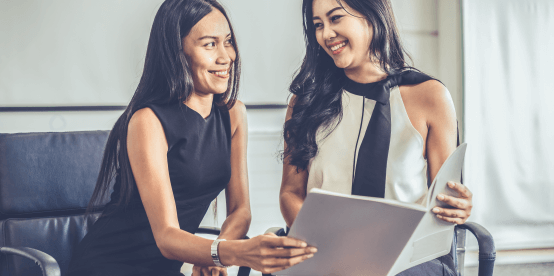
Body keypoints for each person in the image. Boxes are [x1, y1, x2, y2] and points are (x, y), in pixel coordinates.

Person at [67, 1, 316, 275]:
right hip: (108, 265)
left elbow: (240, 210)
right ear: (177, 52)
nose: (226, 57)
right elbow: (166, 236)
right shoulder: (147, 121)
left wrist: (214, 255)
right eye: (209, 44)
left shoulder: (234, 114)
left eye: (228, 41)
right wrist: (232, 253)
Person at [279, 0, 473, 275]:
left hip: (406, 260)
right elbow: (290, 193)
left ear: (372, 14)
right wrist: (327, 246)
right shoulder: (305, 101)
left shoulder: (429, 96)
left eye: (335, 18)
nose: (326, 34)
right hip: (324, 253)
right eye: (318, 25)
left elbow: (443, 199)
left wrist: (458, 207)